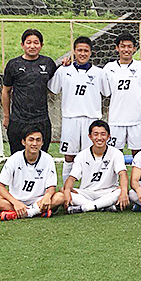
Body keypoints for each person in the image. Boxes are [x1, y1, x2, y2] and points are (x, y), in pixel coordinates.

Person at [48, 37, 108, 182]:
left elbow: (107, 92)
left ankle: (89, 186)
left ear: (91, 53)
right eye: (79, 50)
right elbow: (53, 89)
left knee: (92, 155)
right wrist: (60, 67)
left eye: (86, 50)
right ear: (74, 51)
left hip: (91, 119)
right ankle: (66, 190)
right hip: (70, 119)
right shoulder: (63, 71)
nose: (82, 53)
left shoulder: (99, 73)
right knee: (69, 156)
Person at [0, 126, 63, 220]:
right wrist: (15, 202)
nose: (34, 143)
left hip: (39, 201)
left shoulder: (48, 159)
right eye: (31, 140)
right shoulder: (14, 159)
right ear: (24, 142)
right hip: (16, 201)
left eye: (38, 140)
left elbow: (51, 186)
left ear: (42, 143)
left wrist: (47, 196)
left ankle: (18, 213)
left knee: (60, 197)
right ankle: (36, 212)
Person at [2, 29, 58, 154]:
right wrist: (6, 116)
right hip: (18, 120)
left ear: (41, 45)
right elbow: (6, 91)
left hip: (41, 120)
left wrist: (66, 64)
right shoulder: (13, 64)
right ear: (22, 45)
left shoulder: (48, 63)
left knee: (41, 157)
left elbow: (59, 80)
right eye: (28, 42)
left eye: (36, 43)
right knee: (17, 158)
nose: (32, 46)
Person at [63, 120, 129, 214]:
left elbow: (123, 174)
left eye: (103, 134)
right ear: (90, 136)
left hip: (108, 192)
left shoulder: (116, 153)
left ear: (108, 136)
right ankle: (102, 206)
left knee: (120, 191)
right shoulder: (82, 155)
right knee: (64, 190)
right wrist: (66, 191)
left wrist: (124, 192)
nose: (99, 138)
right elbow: (71, 178)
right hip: (87, 193)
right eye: (96, 134)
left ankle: (85, 208)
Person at [103, 33, 141, 156]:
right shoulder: (108, 68)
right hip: (115, 119)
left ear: (135, 48)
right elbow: (105, 91)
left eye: (130, 46)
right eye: (123, 46)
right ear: (117, 48)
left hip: (136, 120)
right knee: (113, 156)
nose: (126, 50)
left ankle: (138, 177)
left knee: (139, 156)